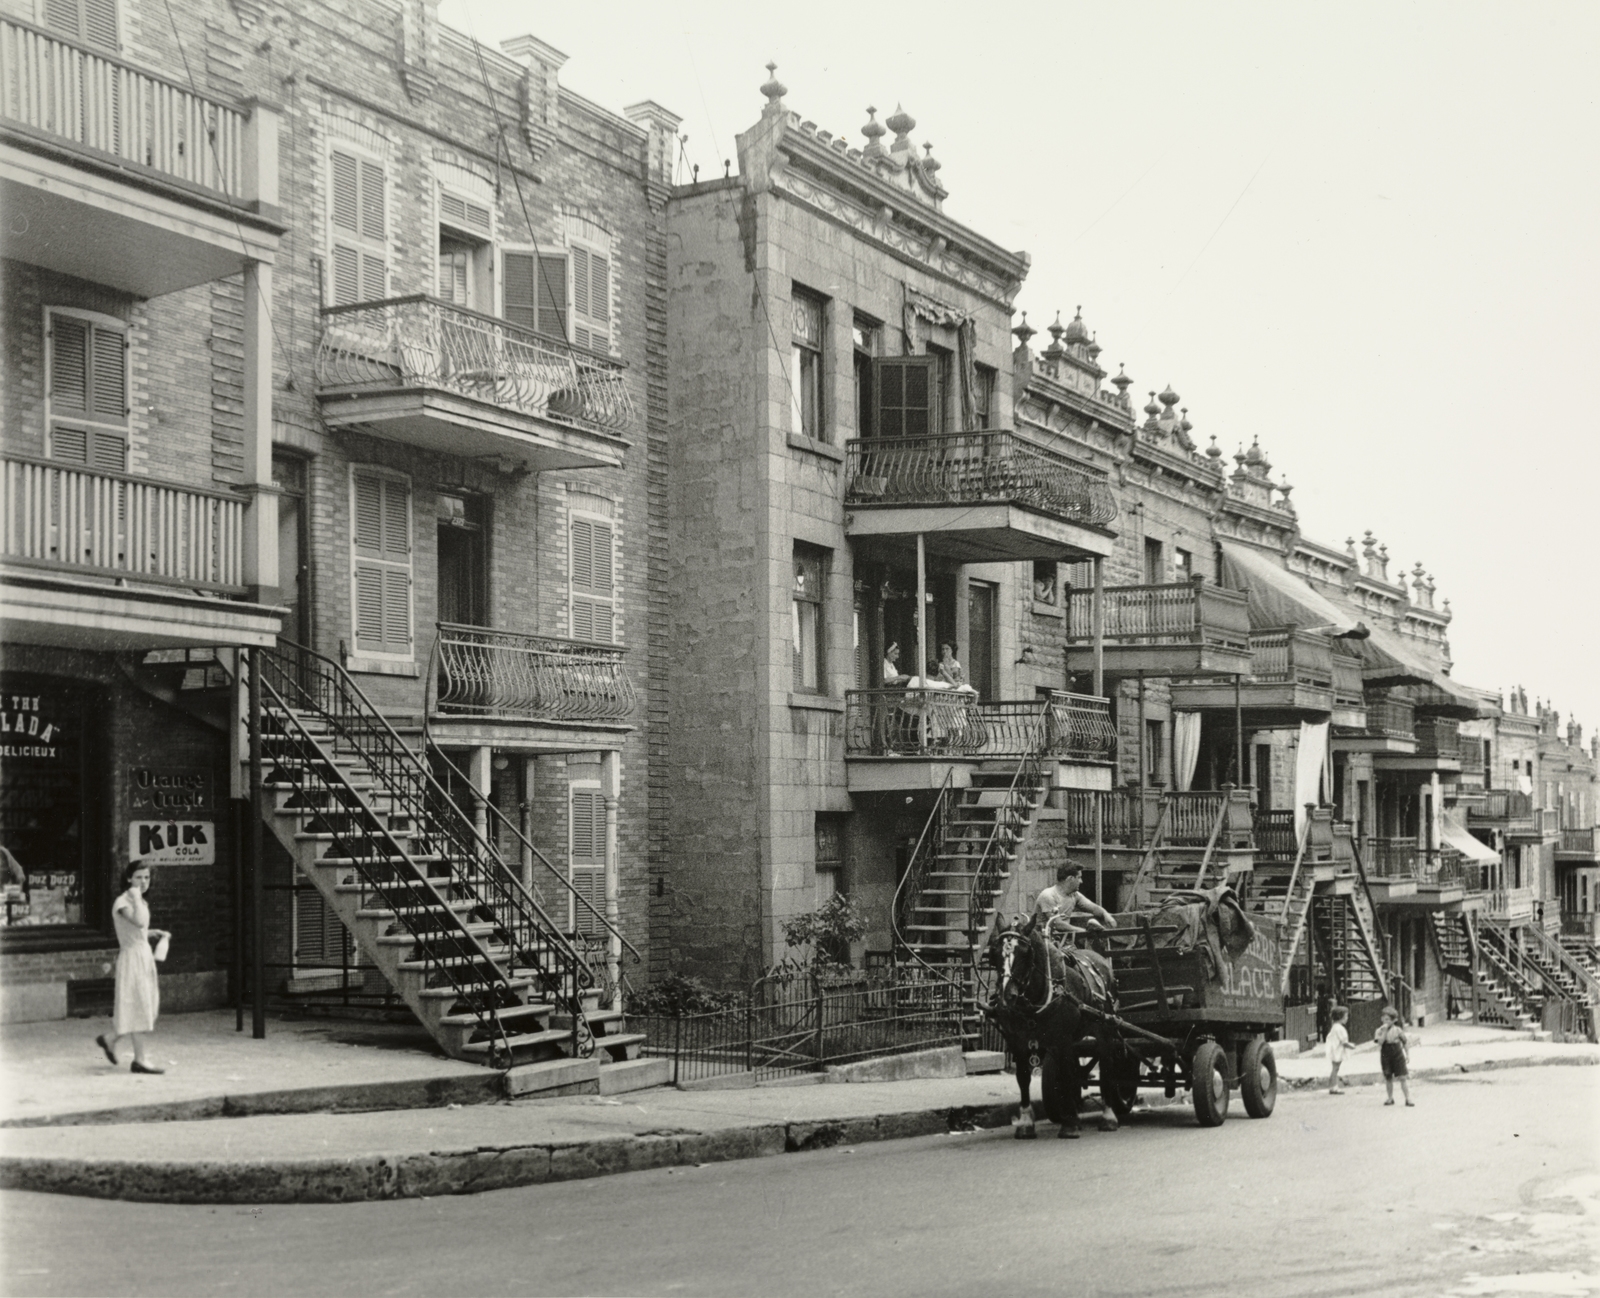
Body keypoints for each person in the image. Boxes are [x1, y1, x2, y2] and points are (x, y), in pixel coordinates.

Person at [96, 861, 169, 1074]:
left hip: (142, 956)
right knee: (140, 1004)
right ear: (129, 879)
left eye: (147, 877)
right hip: (132, 959)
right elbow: (138, 921)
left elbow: (137, 929)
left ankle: (110, 1039)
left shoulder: (138, 902)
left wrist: (151, 933)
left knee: (142, 1003)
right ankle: (140, 1060)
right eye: (138, 877)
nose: (144, 882)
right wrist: (137, 898)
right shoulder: (124, 902)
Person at [1034, 864, 1117, 936]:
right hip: (1044, 940)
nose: (1081, 881)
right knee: (1059, 955)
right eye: (1079, 877)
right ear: (1070, 879)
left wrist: (1106, 914)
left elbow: (1093, 908)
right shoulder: (1048, 896)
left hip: (1064, 940)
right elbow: (1058, 924)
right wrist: (1084, 932)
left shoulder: (1074, 895)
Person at [1374, 1005, 1414, 1106]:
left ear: (1394, 1020)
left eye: (1388, 1019)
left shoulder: (1398, 1030)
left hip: (1397, 1053)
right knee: (1388, 1076)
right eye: (1384, 1018)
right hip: (1385, 1053)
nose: (1385, 1021)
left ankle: (1408, 1098)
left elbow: (1405, 1042)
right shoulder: (1379, 1031)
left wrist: (1407, 1054)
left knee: (1402, 1077)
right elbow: (1380, 1043)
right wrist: (1384, 1031)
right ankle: (1390, 1098)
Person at [1326, 1004, 1353, 1094]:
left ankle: (1332, 1086)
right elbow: (1343, 1042)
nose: (1347, 1018)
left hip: (1335, 1050)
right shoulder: (1339, 1028)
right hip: (1337, 1051)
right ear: (1340, 1017)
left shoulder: (1335, 1027)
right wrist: (1351, 1046)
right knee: (1335, 1069)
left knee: (1335, 1068)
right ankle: (1334, 1087)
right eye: (1346, 1016)